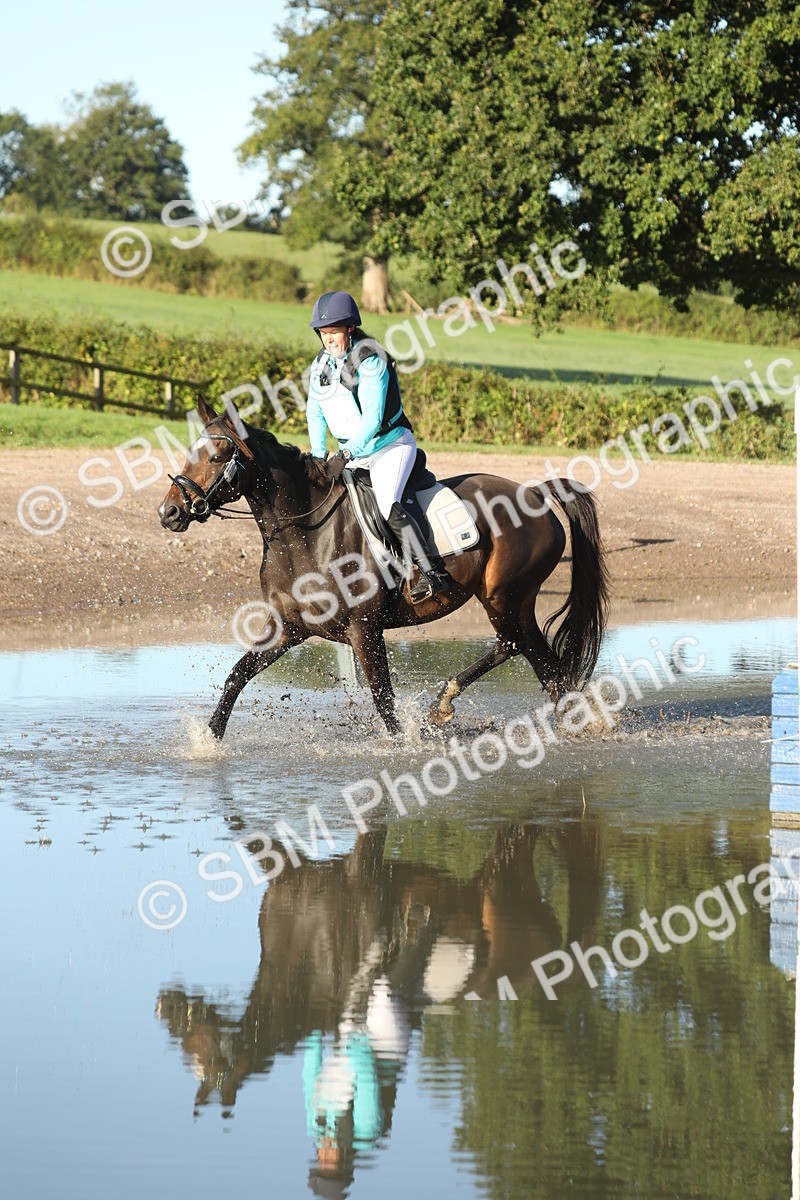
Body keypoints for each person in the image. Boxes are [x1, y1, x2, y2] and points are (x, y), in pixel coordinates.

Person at [305, 290, 450, 603]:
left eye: (333, 333)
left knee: (387, 504)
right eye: (323, 333)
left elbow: (371, 419)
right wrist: (319, 456)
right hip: (355, 453)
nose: (328, 340)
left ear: (350, 329)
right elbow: (314, 412)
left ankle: (432, 570)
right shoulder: (321, 365)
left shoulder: (371, 361)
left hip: (390, 446)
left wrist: (344, 455)